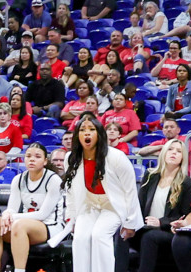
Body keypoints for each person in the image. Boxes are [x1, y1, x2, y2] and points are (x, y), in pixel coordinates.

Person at [61, 114, 142, 272]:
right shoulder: (70, 158)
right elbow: (70, 190)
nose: (87, 133)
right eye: (82, 130)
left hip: (113, 206)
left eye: (91, 129)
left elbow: (130, 190)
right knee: (80, 238)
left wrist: (130, 222)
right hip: (89, 204)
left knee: (99, 235)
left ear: (100, 134)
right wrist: (71, 216)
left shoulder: (116, 157)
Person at [0, 142, 65, 272]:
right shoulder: (18, 179)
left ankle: (19, 270)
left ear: (45, 161)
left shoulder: (53, 180)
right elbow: (12, 208)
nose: (32, 159)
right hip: (25, 225)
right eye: (28, 156)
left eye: (37, 156)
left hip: (51, 226)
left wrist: (12, 216)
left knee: (19, 225)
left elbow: (42, 215)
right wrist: (6, 214)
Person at [117, 139, 191, 272]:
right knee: (122, 233)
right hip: (145, 227)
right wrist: (130, 222)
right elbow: (138, 205)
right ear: (163, 152)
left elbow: (184, 215)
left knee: (150, 237)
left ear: (183, 158)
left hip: (166, 231)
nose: (174, 153)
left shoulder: (186, 183)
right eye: (170, 149)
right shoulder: (150, 176)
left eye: (179, 151)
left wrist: (160, 222)